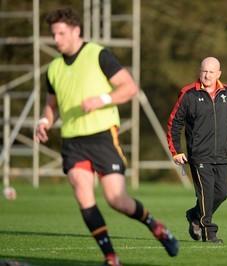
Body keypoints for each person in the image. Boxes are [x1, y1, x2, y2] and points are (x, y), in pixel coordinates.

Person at [35, 7, 178, 266]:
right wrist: (45, 120)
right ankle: (111, 258)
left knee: (116, 200)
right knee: (83, 193)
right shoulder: (54, 68)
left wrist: (102, 99)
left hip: (102, 136)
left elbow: (129, 87)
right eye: (53, 34)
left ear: (76, 31)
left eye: (61, 33)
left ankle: (155, 226)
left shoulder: (97, 55)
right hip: (73, 141)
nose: (56, 39)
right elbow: (52, 105)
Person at [167, 57, 227, 243]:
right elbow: (174, 123)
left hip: (222, 154)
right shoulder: (188, 94)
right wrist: (176, 151)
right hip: (199, 155)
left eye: (211, 72)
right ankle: (209, 232)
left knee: (222, 192)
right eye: (204, 71)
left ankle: (195, 215)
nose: (207, 75)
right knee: (206, 194)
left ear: (218, 74)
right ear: (200, 71)